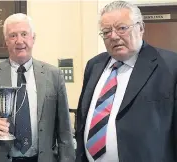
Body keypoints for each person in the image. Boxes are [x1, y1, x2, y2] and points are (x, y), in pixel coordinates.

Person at [75, 1, 177, 162]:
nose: (113, 36)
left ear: (141, 28)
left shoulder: (171, 66)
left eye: (122, 28)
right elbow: (82, 117)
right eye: (106, 31)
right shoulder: (94, 65)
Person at [0, 13, 75, 162]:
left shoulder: (53, 75)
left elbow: (65, 129)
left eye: (24, 34)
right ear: (5, 41)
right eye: (13, 35)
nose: (19, 41)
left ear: (33, 38)